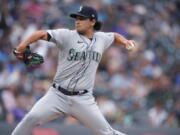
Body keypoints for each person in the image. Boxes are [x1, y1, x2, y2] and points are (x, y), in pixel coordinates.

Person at [11, 5, 135, 135]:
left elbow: (115, 36)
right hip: (57, 95)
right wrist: (20, 48)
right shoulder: (66, 35)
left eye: (82, 18)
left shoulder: (102, 38)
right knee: (31, 118)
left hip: (83, 99)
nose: (77, 21)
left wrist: (126, 41)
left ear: (92, 22)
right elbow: (40, 34)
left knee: (107, 133)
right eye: (76, 18)